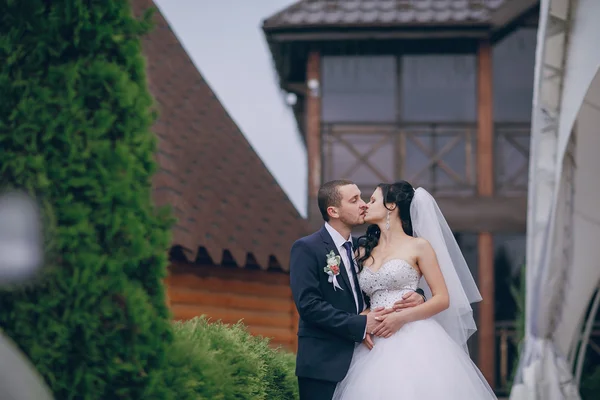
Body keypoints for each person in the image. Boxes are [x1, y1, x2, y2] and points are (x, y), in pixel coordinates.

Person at [332, 181, 497, 399]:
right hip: (373, 340)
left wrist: (401, 318)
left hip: (413, 336)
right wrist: (362, 315)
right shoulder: (362, 250)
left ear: (391, 206)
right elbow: (354, 298)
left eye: (372, 200)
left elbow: (442, 298)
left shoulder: (419, 246)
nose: (365, 205)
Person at [289, 180, 426, 400]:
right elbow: (308, 306)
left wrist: (418, 295)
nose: (363, 204)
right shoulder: (307, 248)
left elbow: (381, 285)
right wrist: (361, 324)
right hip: (323, 364)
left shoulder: (362, 249)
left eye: (363, 198)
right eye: (355, 200)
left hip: (365, 360)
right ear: (333, 211)